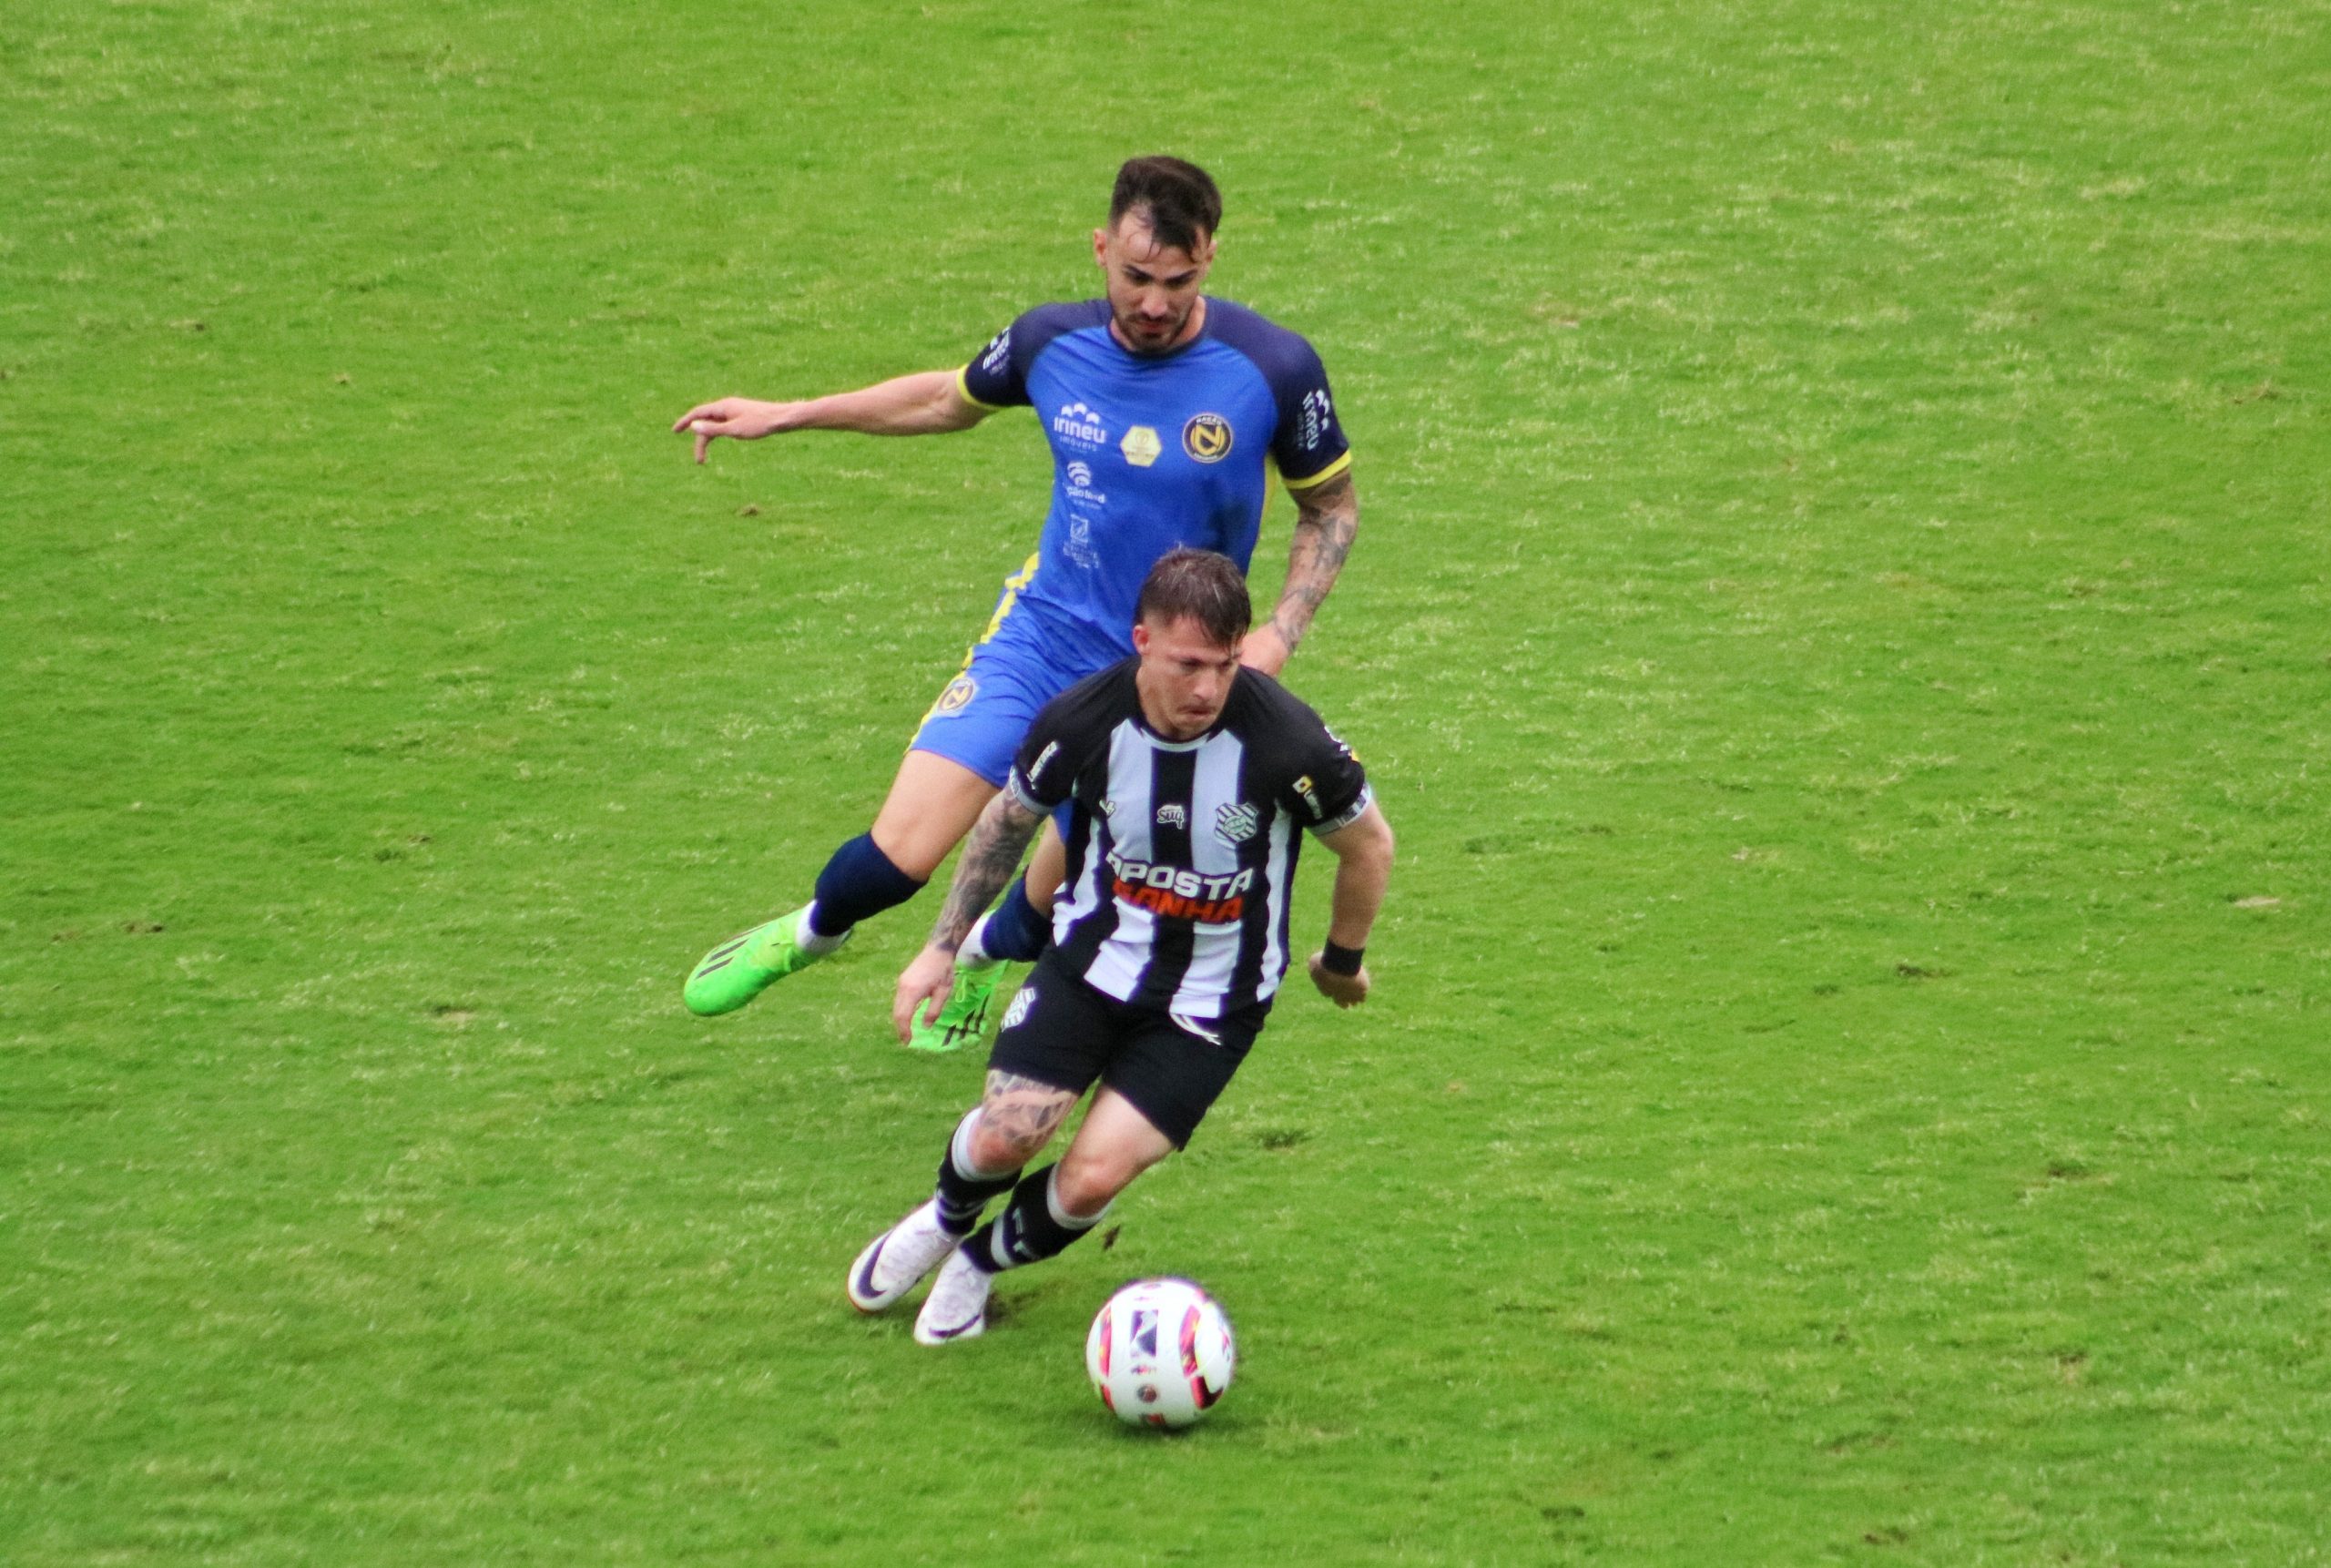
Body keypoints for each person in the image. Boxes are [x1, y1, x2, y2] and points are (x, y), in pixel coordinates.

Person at [674, 156, 1362, 1052]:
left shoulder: (1270, 367)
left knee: (1066, 887)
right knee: (899, 858)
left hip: (1164, 679)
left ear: (1212, 259)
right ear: (1100, 248)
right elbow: (942, 400)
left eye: (1179, 280)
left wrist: (1278, 633)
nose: (1154, 302)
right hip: (1041, 635)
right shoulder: (1050, 344)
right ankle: (811, 932)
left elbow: (1330, 506)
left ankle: (979, 964)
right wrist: (791, 411)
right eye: (1135, 276)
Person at [847, 549, 1394, 1343]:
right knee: (1007, 1135)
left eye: (1226, 665)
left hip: (1213, 1004)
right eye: (1188, 665)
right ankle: (943, 1215)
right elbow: (1008, 823)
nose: (1207, 689)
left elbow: (1369, 846)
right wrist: (942, 948)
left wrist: (1341, 961)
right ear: (1142, 640)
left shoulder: (1287, 742)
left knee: (1092, 1175)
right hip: (1090, 968)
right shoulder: (1081, 721)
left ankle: (978, 1263)